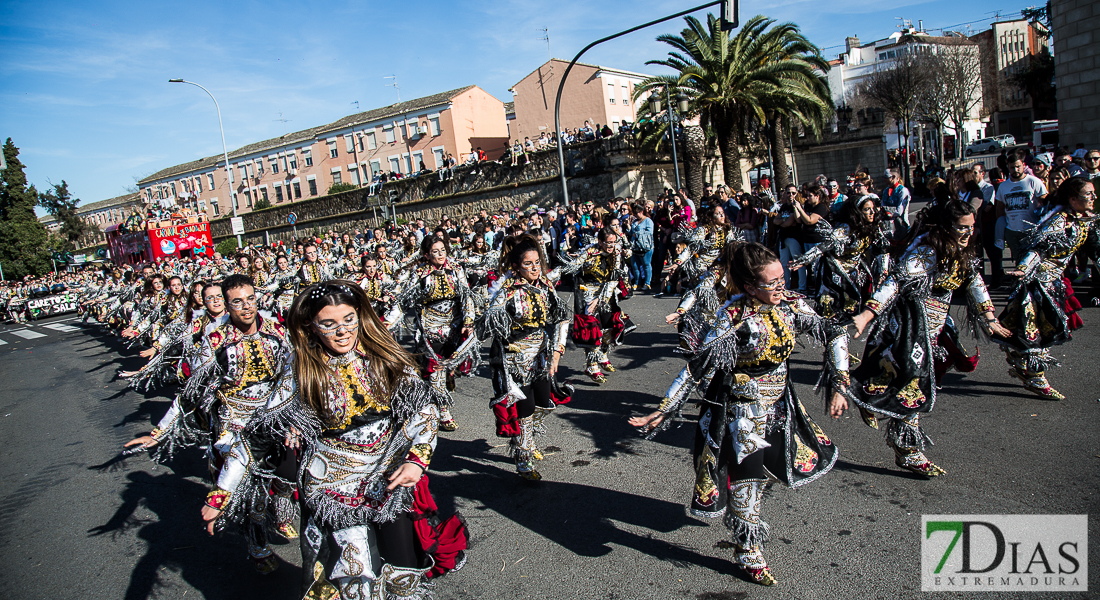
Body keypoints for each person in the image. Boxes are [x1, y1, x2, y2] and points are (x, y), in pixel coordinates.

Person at [630, 242, 849, 586]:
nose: (781, 287)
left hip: (780, 405)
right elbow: (696, 367)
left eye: (782, 278)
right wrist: (665, 408)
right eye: (772, 282)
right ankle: (749, 550)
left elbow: (834, 331)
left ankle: (745, 510)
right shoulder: (732, 317)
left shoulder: (791, 304)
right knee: (748, 478)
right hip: (742, 413)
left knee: (767, 474)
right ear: (748, 287)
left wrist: (839, 383)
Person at [253, 281, 468, 597]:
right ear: (311, 327)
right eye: (329, 324)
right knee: (357, 583)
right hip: (336, 490)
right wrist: (222, 493)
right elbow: (259, 433)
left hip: (387, 483)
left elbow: (424, 412)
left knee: (404, 576)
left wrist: (417, 460)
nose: (342, 331)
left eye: (349, 320)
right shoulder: (301, 371)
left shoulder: (382, 358)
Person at [849, 201, 1011, 477]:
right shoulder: (925, 251)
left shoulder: (961, 248)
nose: (968, 233)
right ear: (946, 227)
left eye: (971, 227)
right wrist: (866, 315)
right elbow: (895, 282)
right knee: (913, 383)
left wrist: (990, 317)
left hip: (935, 326)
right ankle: (907, 449)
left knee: (914, 380)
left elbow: (973, 281)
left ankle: (868, 393)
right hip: (910, 324)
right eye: (962, 228)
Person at [477, 235, 573, 480]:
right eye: (528, 264)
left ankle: (526, 438)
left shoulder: (545, 286)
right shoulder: (506, 290)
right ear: (516, 267)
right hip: (515, 361)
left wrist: (557, 354)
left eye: (537, 263)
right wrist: (493, 316)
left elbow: (562, 317)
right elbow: (490, 319)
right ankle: (523, 457)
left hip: (541, 355)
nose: (534, 268)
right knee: (526, 408)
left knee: (545, 403)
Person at [997, 178, 1098, 400]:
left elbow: (1094, 249)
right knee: (1038, 329)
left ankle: (1021, 360)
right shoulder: (1058, 221)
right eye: (1088, 194)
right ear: (1073, 199)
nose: (1094, 198)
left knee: (1044, 328)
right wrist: (1023, 269)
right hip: (1038, 283)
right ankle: (1035, 376)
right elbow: (1038, 249)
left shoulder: (1085, 220)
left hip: (1056, 282)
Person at [388, 236, 479, 431]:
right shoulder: (420, 274)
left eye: (443, 250)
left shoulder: (455, 269)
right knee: (435, 371)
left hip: (454, 328)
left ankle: (431, 401)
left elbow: (467, 297)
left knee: (448, 370)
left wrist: (469, 320)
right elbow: (403, 302)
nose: (440, 255)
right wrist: (386, 325)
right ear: (427, 255)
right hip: (431, 329)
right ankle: (443, 411)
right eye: (435, 252)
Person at [571, 226, 633, 383]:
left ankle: (603, 355)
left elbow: (613, 280)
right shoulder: (590, 253)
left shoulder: (616, 254)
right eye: (608, 243)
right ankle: (592, 365)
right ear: (600, 242)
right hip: (589, 295)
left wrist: (601, 299)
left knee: (609, 328)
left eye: (614, 242)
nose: (612, 246)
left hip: (607, 295)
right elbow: (572, 267)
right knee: (593, 330)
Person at [999, 149, 1049, 266]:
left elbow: (1046, 202)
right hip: (1012, 230)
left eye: (1018, 167)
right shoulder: (1003, 186)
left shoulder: (1034, 181)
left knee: (1032, 261)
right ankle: (1020, 283)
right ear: (1008, 167)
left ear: (1023, 165)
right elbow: (1000, 208)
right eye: (1012, 167)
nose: (1015, 170)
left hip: (1031, 229)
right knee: (1018, 261)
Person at [628, 204, 655, 291]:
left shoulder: (648, 221)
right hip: (635, 246)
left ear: (641, 212)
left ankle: (647, 283)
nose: (635, 215)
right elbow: (631, 232)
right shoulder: (635, 221)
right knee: (635, 265)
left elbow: (650, 233)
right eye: (634, 213)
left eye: (637, 213)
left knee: (646, 265)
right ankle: (637, 282)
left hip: (645, 246)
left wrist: (638, 233)